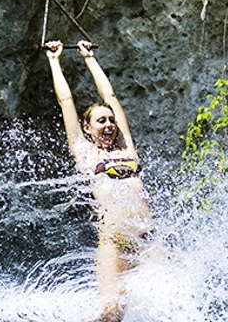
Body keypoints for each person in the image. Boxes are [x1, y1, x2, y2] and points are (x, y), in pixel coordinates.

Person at [44, 40, 157, 322]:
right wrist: (55, 61)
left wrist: (89, 57)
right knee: (111, 313)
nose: (108, 125)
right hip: (114, 242)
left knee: (170, 307)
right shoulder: (85, 153)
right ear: (87, 128)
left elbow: (111, 95)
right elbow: (66, 102)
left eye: (110, 120)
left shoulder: (126, 148)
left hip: (148, 239)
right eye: (101, 121)